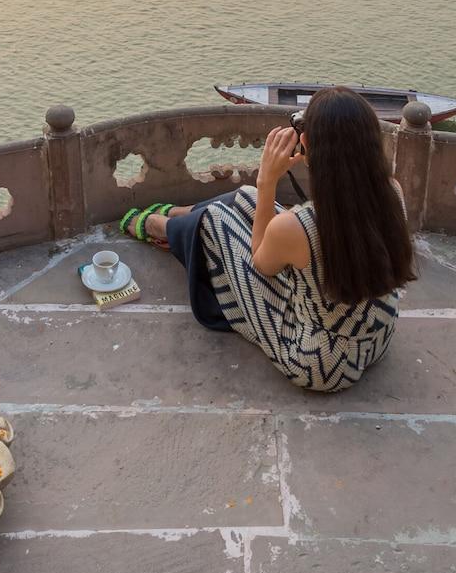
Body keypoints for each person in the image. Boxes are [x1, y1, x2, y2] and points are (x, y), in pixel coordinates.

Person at [116, 87, 416, 392]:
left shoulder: (298, 227)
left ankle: (160, 227)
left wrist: (267, 179)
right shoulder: (392, 191)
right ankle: (178, 215)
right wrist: (260, 190)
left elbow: (261, 265)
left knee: (216, 221)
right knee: (248, 198)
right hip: (376, 336)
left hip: (321, 363)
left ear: (307, 144)